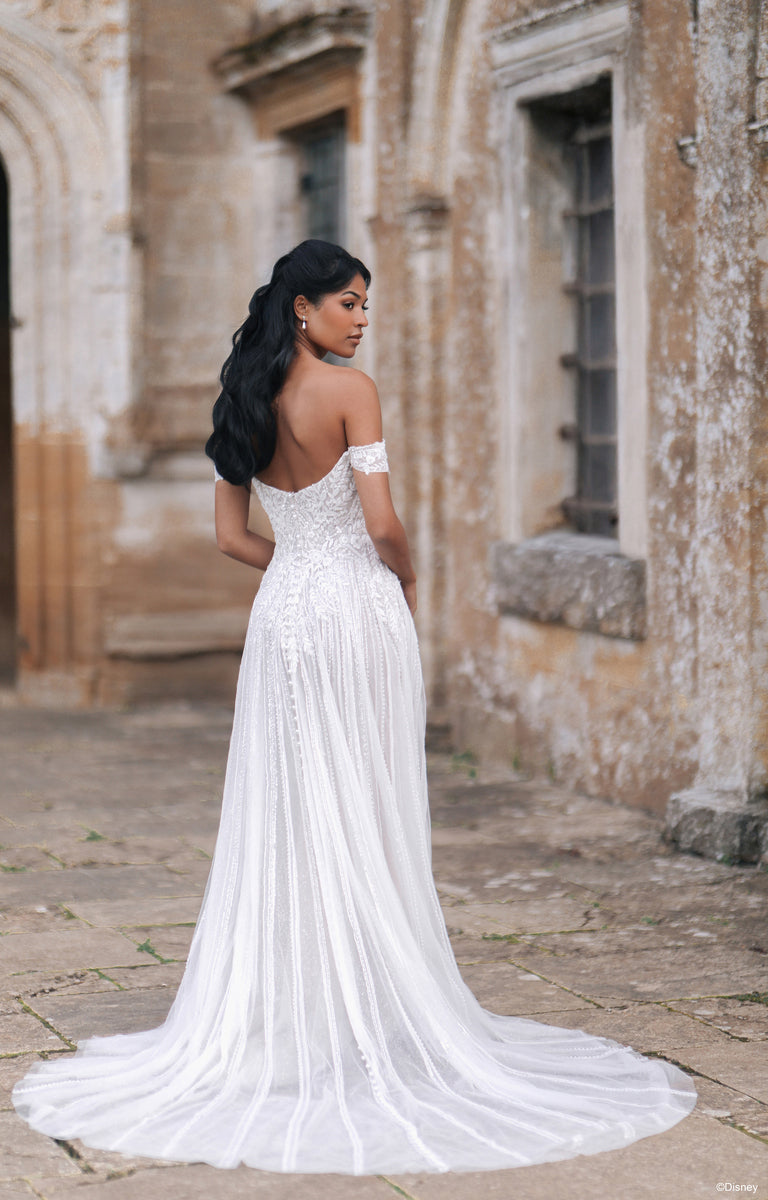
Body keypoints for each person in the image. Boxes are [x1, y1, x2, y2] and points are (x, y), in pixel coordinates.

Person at [12, 240, 696, 1174]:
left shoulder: (240, 399)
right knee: (366, 796)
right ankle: (363, 1003)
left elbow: (229, 537)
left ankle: (302, 1011)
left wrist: (298, 565)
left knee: (290, 803)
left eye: (366, 304)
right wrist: (402, 579)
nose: (363, 319)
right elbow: (380, 522)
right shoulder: (352, 391)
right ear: (302, 307)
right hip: (356, 612)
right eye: (349, 302)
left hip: (284, 615)